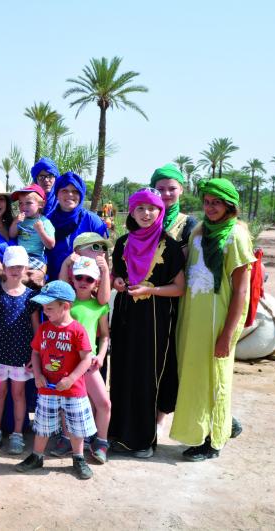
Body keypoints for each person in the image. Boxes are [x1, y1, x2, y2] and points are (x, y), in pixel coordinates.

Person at [170, 178, 255, 461]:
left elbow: (241, 290)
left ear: (229, 205)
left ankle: (213, 440)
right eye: (207, 202)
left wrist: (227, 334)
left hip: (217, 322)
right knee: (193, 377)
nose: (210, 208)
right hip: (191, 320)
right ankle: (219, 425)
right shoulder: (197, 234)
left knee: (213, 378)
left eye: (216, 202)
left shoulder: (236, 236)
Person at [110, 188, 185, 458]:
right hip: (125, 315)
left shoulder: (171, 246)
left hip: (154, 321)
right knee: (122, 372)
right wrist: (117, 282)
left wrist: (150, 290)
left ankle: (143, 441)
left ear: (160, 211)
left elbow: (179, 288)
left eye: (152, 208)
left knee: (146, 376)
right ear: (131, 211)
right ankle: (116, 434)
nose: (146, 213)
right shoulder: (123, 243)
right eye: (140, 208)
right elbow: (116, 276)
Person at [16, 281, 96, 480]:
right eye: (44, 307)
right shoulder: (43, 328)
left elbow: (87, 358)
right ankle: (37, 456)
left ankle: (78, 458)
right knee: (42, 425)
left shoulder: (77, 330)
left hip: (73, 390)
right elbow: (35, 353)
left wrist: (72, 379)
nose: (45, 311)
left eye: (49, 308)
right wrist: (38, 374)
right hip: (47, 389)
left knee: (76, 427)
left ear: (65, 306)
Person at [0, 246, 40, 455]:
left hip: (21, 357)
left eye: (19, 266)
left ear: (25, 268)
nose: (15, 270)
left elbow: (36, 329)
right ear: (4, 267)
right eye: (11, 266)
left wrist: (36, 355)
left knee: (18, 394)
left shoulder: (32, 296)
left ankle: (17, 434)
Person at [68, 257, 111, 463]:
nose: (83, 281)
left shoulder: (100, 307)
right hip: (67, 364)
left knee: (103, 403)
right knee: (68, 404)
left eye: (89, 279)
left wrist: (101, 355)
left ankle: (101, 442)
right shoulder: (65, 303)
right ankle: (67, 439)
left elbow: (104, 335)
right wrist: (67, 261)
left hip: (90, 363)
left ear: (97, 282)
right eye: (79, 277)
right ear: (72, 278)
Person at [45, 171, 108, 281]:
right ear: (57, 193)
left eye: (75, 191)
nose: (70, 195)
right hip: (55, 286)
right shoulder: (47, 221)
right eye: (64, 190)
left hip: (86, 287)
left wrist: (103, 282)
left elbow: (103, 255)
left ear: (81, 194)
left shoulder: (92, 220)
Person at [150, 164, 197, 254]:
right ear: (153, 190)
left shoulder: (188, 224)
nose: (166, 193)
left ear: (181, 190)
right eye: (161, 189)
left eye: (172, 189)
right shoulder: (144, 219)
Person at [9, 184, 55, 271]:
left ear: (41, 204)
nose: (23, 207)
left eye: (28, 203)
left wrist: (41, 231)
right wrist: (15, 223)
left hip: (35, 257)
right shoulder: (21, 219)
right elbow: (12, 235)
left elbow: (51, 245)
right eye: (20, 203)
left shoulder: (45, 222)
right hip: (20, 255)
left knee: (20, 271)